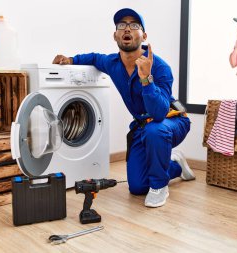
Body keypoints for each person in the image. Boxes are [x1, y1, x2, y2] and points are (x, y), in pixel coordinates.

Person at [53, 8, 195, 208]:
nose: (127, 29)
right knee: (136, 187)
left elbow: (159, 113)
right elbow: (94, 58)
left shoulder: (160, 67)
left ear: (143, 36)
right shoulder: (112, 63)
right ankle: (175, 166)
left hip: (171, 121)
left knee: (155, 129)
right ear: (115, 35)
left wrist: (146, 79)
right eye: (122, 25)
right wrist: (71, 60)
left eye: (134, 25)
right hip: (142, 127)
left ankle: (159, 186)